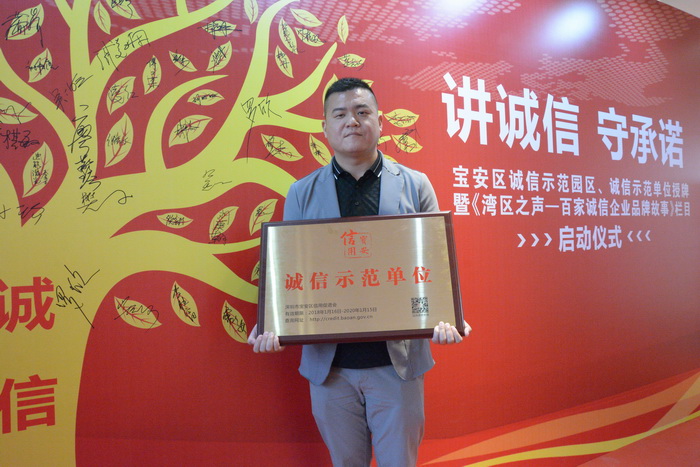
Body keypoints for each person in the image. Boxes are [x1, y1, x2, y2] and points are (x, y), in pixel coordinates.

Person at [248, 77, 472, 467]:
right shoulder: (301, 192)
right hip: (330, 369)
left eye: (362, 111)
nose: (351, 121)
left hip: (397, 367)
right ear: (325, 127)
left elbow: (433, 263)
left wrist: (447, 315)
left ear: (380, 122)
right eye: (340, 114)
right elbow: (291, 270)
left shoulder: (415, 184)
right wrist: (274, 322)